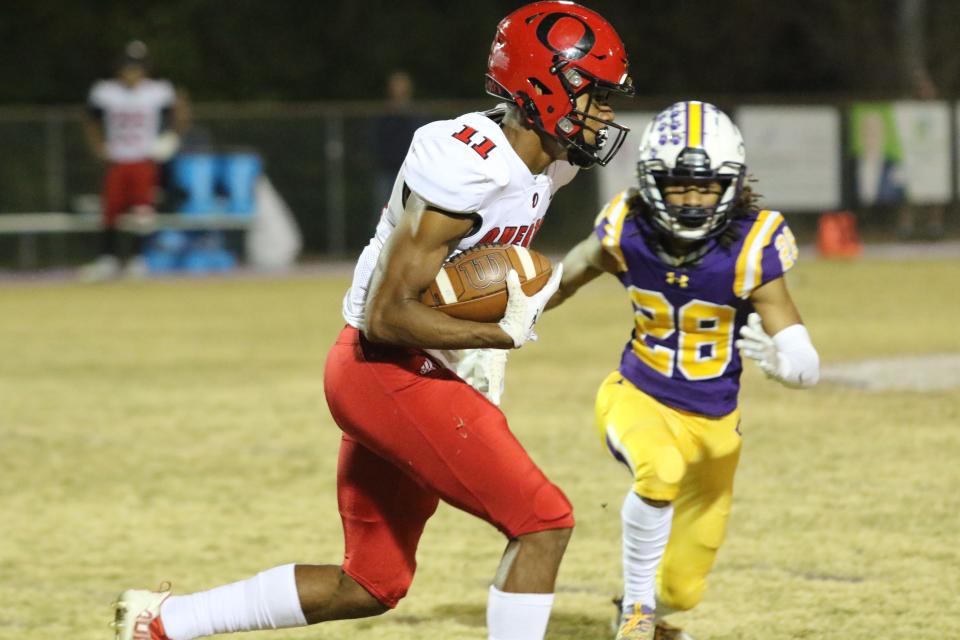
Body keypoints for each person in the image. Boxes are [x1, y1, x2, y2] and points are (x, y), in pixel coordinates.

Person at [111, 3, 634, 640]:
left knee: (371, 582)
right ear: (545, 86)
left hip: (414, 367)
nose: (604, 112)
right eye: (596, 94)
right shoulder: (468, 160)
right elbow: (388, 317)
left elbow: (502, 285)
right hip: (383, 367)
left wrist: (591, 264)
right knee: (543, 522)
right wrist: (493, 336)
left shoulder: (551, 160)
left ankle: (160, 622)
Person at [547, 101, 820, 640]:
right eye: (678, 185)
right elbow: (562, 279)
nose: (693, 200)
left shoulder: (752, 246)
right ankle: (637, 618)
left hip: (716, 432)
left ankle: (642, 601)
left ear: (732, 185)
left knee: (685, 591)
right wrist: (492, 329)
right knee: (660, 468)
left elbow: (803, 354)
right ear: (651, 183)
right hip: (637, 395)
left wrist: (789, 367)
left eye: (705, 186)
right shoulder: (625, 228)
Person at [81, 40, 183, 281]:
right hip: (117, 159)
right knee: (111, 210)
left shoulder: (157, 91)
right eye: (128, 67)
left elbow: (179, 114)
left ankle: (138, 259)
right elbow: (91, 120)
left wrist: (170, 138)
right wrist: (98, 147)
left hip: (143, 159)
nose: (132, 72)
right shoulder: (106, 91)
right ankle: (108, 259)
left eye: (136, 67)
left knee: (142, 212)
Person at [371, 69, 426, 226]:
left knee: (413, 213)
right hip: (387, 170)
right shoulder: (384, 114)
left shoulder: (416, 114)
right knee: (383, 212)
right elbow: (377, 140)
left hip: (411, 171)